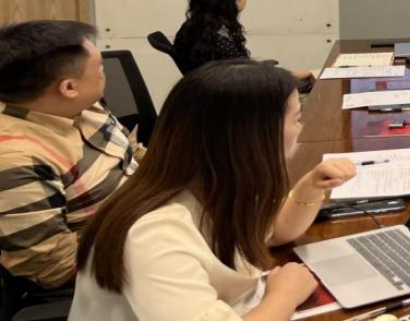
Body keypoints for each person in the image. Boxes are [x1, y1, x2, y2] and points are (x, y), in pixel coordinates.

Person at [70, 60, 357, 320]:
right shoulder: (154, 233)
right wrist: (284, 295)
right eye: (295, 118)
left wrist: (310, 187)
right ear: (253, 137)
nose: (301, 128)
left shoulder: (217, 181)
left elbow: (275, 232)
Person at [0, 20, 141, 290]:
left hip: (146, 217)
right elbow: (57, 267)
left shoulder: (84, 106)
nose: (104, 73)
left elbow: (131, 153)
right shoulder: (16, 159)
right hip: (105, 270)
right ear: (68, 88)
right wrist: (153, 235)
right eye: (99, 67)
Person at [173, 0, 313, 83]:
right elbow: (244, 78)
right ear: (226, 0)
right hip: (238, 98)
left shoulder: (195, 28)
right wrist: (308, 73)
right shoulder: (218, 41)